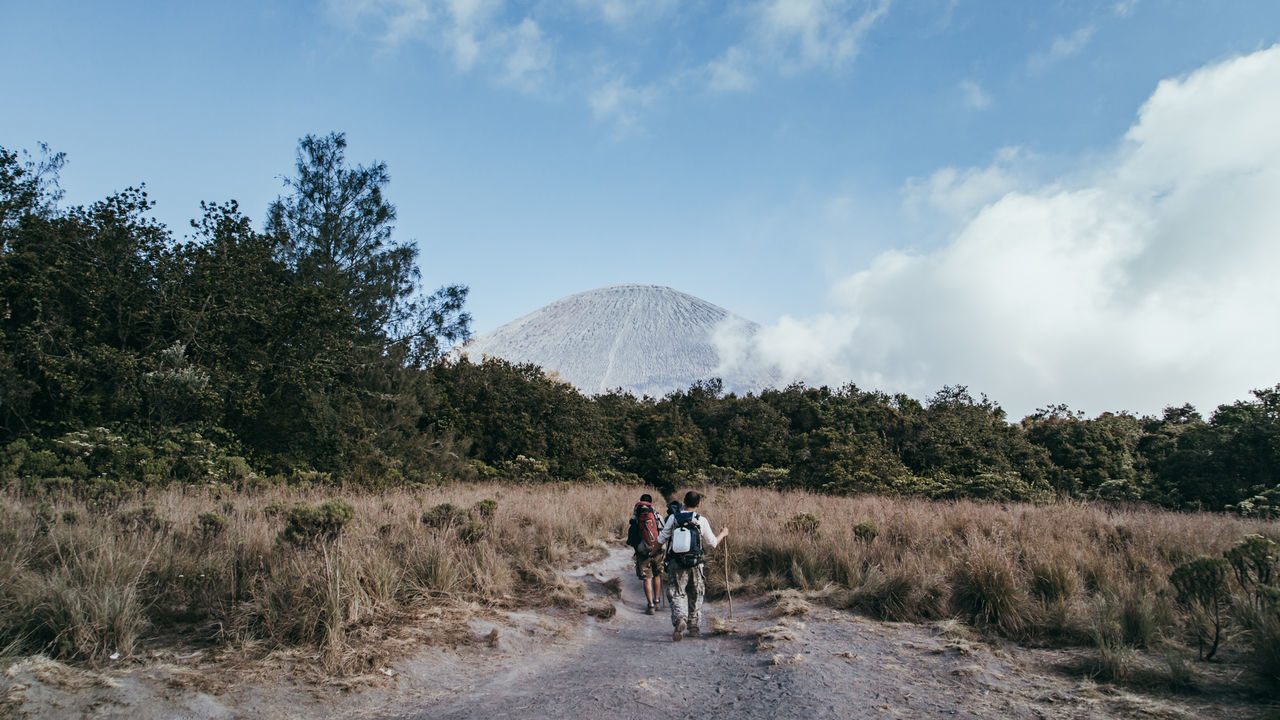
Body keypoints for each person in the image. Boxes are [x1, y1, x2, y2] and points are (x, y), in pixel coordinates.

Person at [656, 490, 728, 641]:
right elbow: (713, 543)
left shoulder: (674, 518)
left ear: (684, 501)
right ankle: (694, 627)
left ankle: (680, 619)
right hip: (696, 563)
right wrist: (723, 533)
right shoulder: (701, 520)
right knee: (696, 594)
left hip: (676, 562)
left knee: (677, 593)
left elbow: (662, 539)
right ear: (699, 504)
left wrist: (652, 554)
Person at [626, 493, 665, 614]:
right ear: (651, 503)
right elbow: (664, 533)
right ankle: (657, 601)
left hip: (642, 551)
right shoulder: (658, 517)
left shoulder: (635, 518)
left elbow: (632, 537)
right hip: (657, 550)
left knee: (647, 579)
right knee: (657, 575)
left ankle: (651, 605)